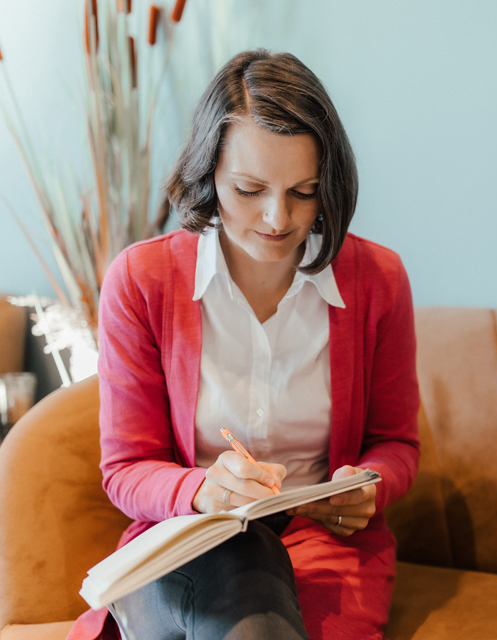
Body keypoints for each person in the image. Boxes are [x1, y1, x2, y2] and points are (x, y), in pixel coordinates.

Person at [66, 49, 420, 640]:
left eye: (304, 192)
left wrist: (370, 487)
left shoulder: (378, 282)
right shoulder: (142, 281)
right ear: (209, 174)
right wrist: (203, 489)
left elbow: (397, 443)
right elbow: (126, 469)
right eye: (250, 189)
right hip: (190, 535)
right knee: (240, 571)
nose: (278, 218)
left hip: (325, 543)